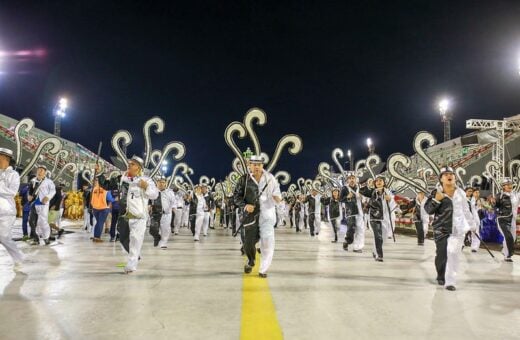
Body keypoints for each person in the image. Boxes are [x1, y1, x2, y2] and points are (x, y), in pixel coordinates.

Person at [103, 155, 158, 274]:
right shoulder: (122, 178)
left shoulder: (146, 180)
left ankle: (131, 265)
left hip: (139, 217)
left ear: (138, 167)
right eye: (129, 163)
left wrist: (147, 187)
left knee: (135, 240)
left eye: (132, 164)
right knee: (123, 239)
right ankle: (135, 255)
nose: (129, 165)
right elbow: (107, 185)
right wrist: (98, 174)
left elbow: (154, 195)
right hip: (124, 216)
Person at [424, 166, 475, 291]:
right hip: (441, 228)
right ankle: (441, 275)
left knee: (453, 253)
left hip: (458, 230)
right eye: (445, 174)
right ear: (441, 179)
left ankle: (450, 281)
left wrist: (472, 225)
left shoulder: (461, 193)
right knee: (441, 254)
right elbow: (428, 209)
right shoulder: (435, 193)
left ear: (455, 177)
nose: (449, 176)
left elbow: (466, 211)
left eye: (451, 174)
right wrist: (436, 200)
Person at [233, 155, 281, 278]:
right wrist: (245, 205)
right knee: (248, 243)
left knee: (267, 242)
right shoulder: (244, 180)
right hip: (250, 216)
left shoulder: (270, 179)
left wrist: (277, 198)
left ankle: (263, 269)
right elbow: (236, 197)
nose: (256, 167)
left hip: (267, 215)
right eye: (254, 164)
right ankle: (251, 260)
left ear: (262, 166)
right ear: (249, 165)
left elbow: (277, 193)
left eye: (259, 164)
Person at [359, 175, 396, 262]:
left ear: (384, 182)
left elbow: (393, 204)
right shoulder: (372, 191)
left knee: (383, 237)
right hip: (374, 217)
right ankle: (380, 255)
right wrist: (369, 185)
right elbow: (361, 190)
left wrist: (390, 199)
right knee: (378, 236)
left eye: (380, 180)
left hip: (385, 218)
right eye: (377, 181)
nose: (378, 182)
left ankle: (375, 250)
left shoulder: (388, 192)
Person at [0, 147, 25, 266]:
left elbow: (12, 192)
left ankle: (18, 257)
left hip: (6, 212)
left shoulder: (14, 175)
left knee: (3, 237)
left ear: (6, 158)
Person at [492, 178, 520, 262]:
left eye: (510, 184)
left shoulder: (515, 194)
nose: (509, 186)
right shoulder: (499, 195)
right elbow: (495, 206)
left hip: (512, 219)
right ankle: (508, 255)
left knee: (513, 238)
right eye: (507, 184)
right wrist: (493, 204)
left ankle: (505, 251)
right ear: (503, 186)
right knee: (508, 236)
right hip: (502, 219)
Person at [340, 172, 365, 252]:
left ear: (356, 179)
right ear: (347, 180)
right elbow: (340, 199)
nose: (352, 180)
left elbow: (365, 199)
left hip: (360, 212)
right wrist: (347, 197)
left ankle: (357, 247)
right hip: (350, 212)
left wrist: (362, 197)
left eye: (353, 178)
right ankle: (347, 241)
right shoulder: (344, 188)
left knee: (360, 229)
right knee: (351, 228)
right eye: (350, 178)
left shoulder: (360, 188)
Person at [31, 165, 56, 245]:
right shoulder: (33, 180)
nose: (40, 171)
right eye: (39, 170)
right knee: (32, 222)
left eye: (42, 170)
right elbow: (30, 190)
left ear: (45, 172)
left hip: (43, 204)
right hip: (33, 204)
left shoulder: (49, 182)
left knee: (43, 222)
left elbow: (53, 191)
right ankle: (36, 238)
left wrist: (47, 197)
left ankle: (46, 237)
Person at [149, 176, 175, 248]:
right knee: (152, 228)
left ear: (165, 183)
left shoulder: (169, 192)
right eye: (159, 182)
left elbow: (173, 202)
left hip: (166, 214)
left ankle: (163, 242)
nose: (161, 184)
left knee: (165, 229)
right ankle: (157, 237)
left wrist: (172, 209)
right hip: (155, 213)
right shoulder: (153, 191)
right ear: (156, 183)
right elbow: (149, 200)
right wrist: (149, 206)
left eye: (163, 182)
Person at [90, 178, 115, 242]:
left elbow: (92, 199)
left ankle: (95, 236)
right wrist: (115, 199)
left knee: (98, 222)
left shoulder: (94, 189)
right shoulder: (106, 190)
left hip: (95, 208)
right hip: (103, 209)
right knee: (100, 223)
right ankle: (97, 237)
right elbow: (110, 199)